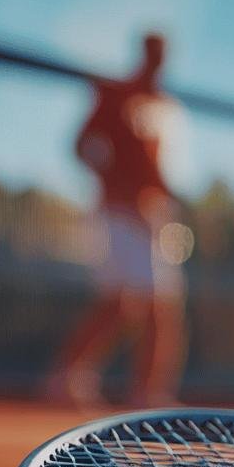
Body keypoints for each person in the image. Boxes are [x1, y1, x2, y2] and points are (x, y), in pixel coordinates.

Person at [46, 33, 184, 407]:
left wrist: (166, 201)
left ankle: (147, 391)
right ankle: (72, 377)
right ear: (144, 54)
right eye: (154, 53)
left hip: (152, 215)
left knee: (156, 303)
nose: (158, 61)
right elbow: (82, 145)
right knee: (130, 302)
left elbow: (155, 168)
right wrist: (119, 189)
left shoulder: (163, 105)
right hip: (119, 212)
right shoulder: (117, 93)